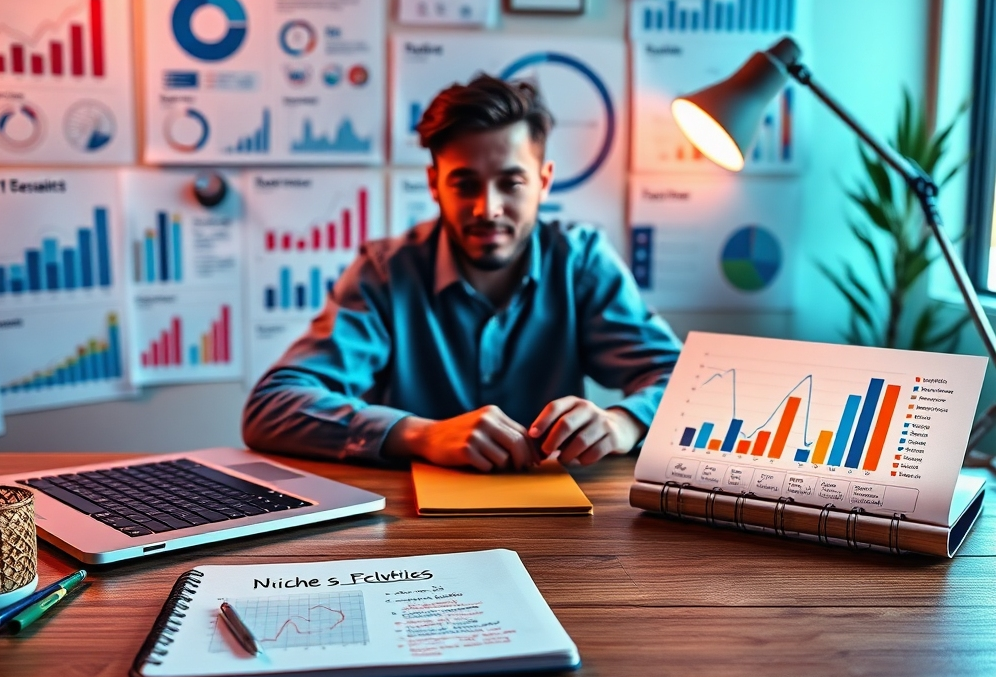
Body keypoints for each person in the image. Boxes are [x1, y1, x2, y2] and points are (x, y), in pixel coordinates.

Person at [242, 75, 681, 472]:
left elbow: (688, 386)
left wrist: (625, 422)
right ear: (434, 184)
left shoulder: (580, 262)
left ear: (544, 182)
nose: (487, 209)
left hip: (560, 525)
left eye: (511, 183)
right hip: (411, 531)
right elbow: (271, 407)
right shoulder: (385, 273)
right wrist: (422, 434)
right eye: (465, 183)